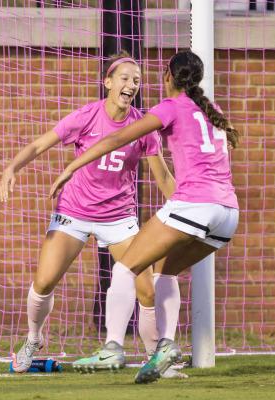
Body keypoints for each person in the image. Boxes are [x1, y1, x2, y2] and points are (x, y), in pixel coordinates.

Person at [50, 50, 240, 384]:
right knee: (165, 272)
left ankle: (112, 347)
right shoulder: (214, 111)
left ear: (168, 75)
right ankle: (165, 349)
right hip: (228, 214)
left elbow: (116, 138)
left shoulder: (169, 107)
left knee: (127, 266)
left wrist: (72, 165)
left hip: (195, 204)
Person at [0, 52, 176, 374]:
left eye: (136, 80)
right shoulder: (86, 116)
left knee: (146, 289)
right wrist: (12, 167)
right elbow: (40, 145)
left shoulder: (144, 125)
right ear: (107, 82)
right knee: (44, 281)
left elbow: (162, 177)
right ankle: (32, 338)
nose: (131, 85)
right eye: (124, 78)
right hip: (74, 212)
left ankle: (157, 358)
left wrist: (186, 209)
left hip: (120, 217)